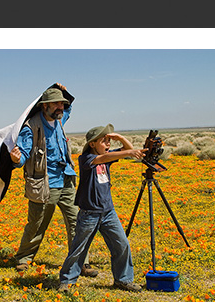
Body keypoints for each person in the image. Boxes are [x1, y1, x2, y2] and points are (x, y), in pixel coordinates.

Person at [10, 83, 98, 277]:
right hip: (44, 184)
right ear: (44, 105)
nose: (61, 107)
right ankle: (24, 258)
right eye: (56, 103)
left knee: (77, 222)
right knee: (37, 223)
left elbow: (70, 108)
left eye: (62, 103)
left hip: (66, 179)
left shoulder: (60, 119)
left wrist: (63, 91)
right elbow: (23, 153)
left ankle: (81, 262)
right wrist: (17, 160)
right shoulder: (31, 126)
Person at [58, 124, 148, 292]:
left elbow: (129, 149)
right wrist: (127, 152)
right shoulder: (86, 158)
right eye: (104, 141)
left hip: (108, 212)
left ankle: (123, 280)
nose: (108, 145)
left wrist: (120, 139)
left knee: (121, 245)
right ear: (92, 144)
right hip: (89, 213)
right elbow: (103, 159)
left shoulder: (107, 155)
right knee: (79, 249)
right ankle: (67, 281)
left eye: (109, 141)